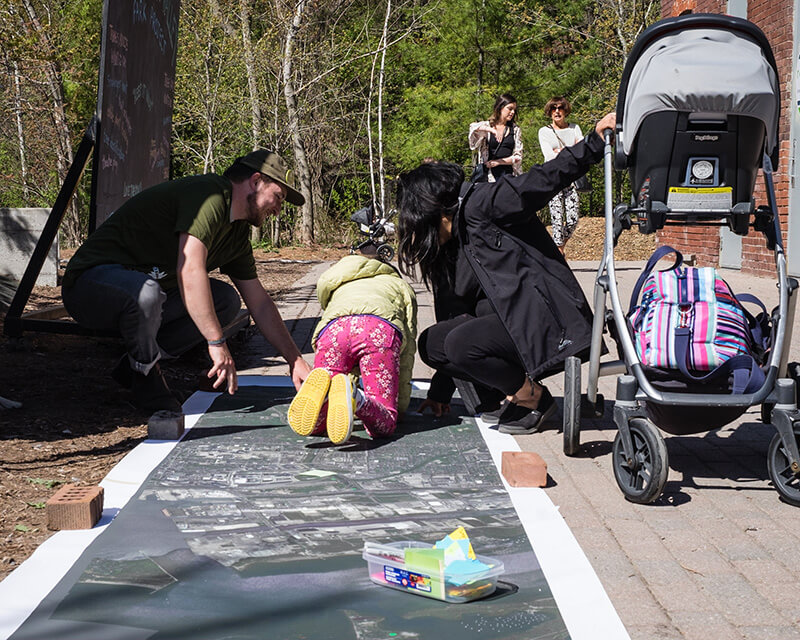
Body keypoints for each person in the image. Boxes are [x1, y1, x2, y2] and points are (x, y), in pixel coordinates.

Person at [397, 112, 616, 434]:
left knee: (461, 343)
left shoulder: (482, 203)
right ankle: (497, 397)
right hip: (511, 324)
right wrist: (439, 393)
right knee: (434, 343)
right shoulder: (447, 249)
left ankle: (533, 398)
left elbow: (543, 180)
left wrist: (594, 142)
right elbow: (452, 317)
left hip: (546, 320)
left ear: (434, 211)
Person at [62, 150, 312, 413]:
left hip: (146, 296)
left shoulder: (236, 234)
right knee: (146, 293)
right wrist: (217, 344)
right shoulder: (210, 195)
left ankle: (134, 366)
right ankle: (146, 377)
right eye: (279, 197)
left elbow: (259, 303)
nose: (278, 209)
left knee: (225, 301)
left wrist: (294, 360)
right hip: (90, 286)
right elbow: (190, 269)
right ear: (256, 181)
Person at [286, 254, 417, 445]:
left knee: (318, 423)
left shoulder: (337, 281)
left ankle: (324, 401)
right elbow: (407, 352)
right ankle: (357, 397)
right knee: (384, 424)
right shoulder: (400, 285)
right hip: (378, 331)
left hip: (333, 331)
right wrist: (401, 405)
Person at [538, 96, 584, 253]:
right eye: (553, 108)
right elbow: (549, 156)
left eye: (560, 108)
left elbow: (582, 152)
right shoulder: (544, 131)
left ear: (566, 110)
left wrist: (561, 151)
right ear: (549, 112)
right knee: (557, 219)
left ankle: (559, 247)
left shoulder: (574, 129)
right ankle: (559, 252)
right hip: (553, 178)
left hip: (571, 179)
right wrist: (570, 151)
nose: (557, 111)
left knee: (572, 219)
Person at [468, 93, 523, 182]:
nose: (512, 112)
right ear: (500, 107)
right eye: (510, 109)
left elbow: (518, 157)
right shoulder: (487, 126)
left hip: (509, 175)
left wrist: (498, 162)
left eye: (514, 110)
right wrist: (492, 130)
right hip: (489, 176)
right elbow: (473, 128)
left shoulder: (515, 129)